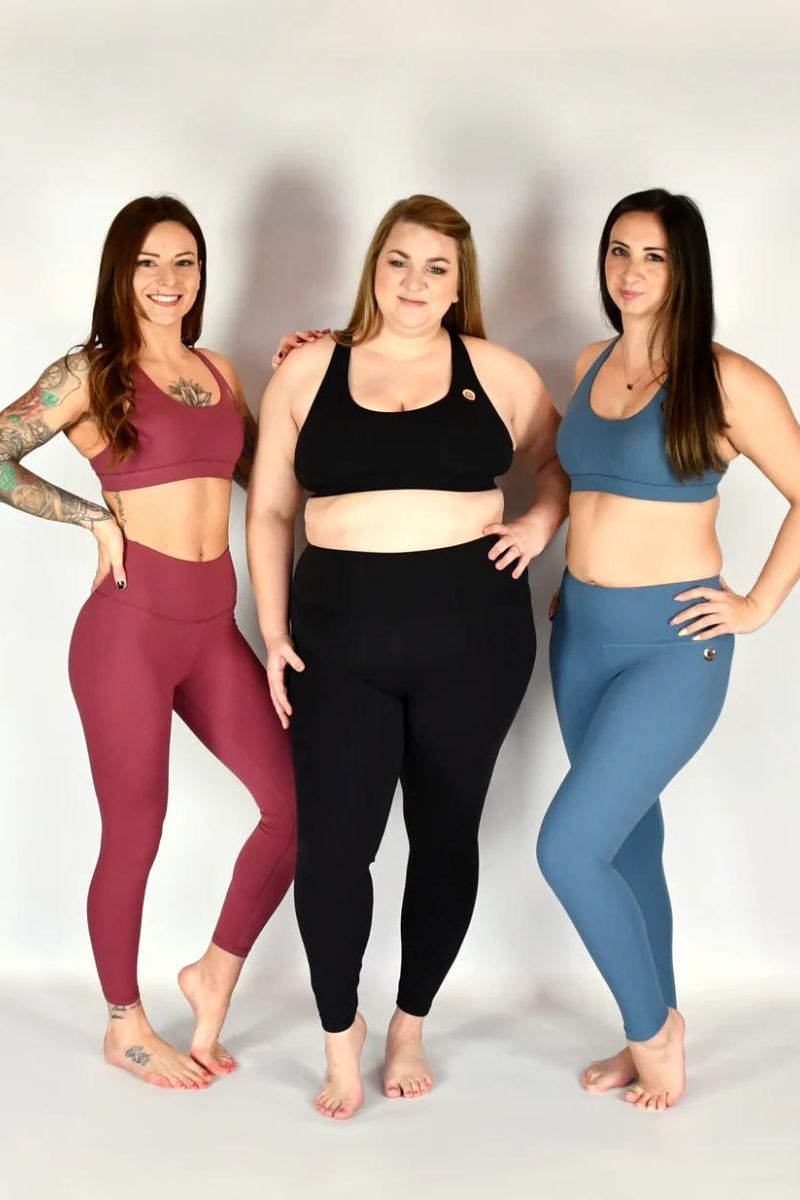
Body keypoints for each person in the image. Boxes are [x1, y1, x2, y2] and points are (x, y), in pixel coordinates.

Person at [247, 193, 567, 1119]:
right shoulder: (309, 369)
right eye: (399, 261)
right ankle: (338, 1037)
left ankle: (411, 1023)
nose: (414, 283)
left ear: (459, 284)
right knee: (334, 847)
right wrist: (274, 633)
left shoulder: (498, 372)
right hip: (337, 637)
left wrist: (539, 523)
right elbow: (269, 510)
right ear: (373, 267)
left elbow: (560, 466)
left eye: (436, 268)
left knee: (445, 835)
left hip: (475, 637)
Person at [0, 196, 296, 1089]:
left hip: (214, 629)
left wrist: (308, 371)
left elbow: (273, 479)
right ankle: (123, 1023)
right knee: (136, 829)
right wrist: (91, 517)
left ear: (202, 272)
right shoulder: (90, 373)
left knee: (295, 809)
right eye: (148, 263)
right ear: (120, 273)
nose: (168, 280)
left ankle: (212, 971)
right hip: (127, 631)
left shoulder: (218, 370)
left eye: (184, 262)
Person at [537, 188, 800, 1110]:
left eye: (653, 254)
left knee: (568, 848)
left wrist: (757, 605)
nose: (631, 270)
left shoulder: (725, 380)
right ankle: (650, 1017)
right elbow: (575, 484)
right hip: (580, 637)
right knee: (626, 844)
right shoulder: (589, 362)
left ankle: (655, 1037)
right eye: (619, 250)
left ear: (685, 268)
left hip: (673, 647)